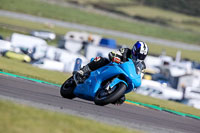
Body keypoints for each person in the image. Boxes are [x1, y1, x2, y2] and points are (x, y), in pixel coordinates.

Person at [73, 41, 149, 104]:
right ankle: (82, 71)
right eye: (139, 55)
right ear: (134, 51)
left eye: (142, 56)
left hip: (126, 76)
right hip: (112, 67)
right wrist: (115, 57)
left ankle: (109, 92)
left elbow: (140, 76)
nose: (140, 57)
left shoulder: (142, 66)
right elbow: (112, 53)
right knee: (101, 60)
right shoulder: (126, 51)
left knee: (121, 99)